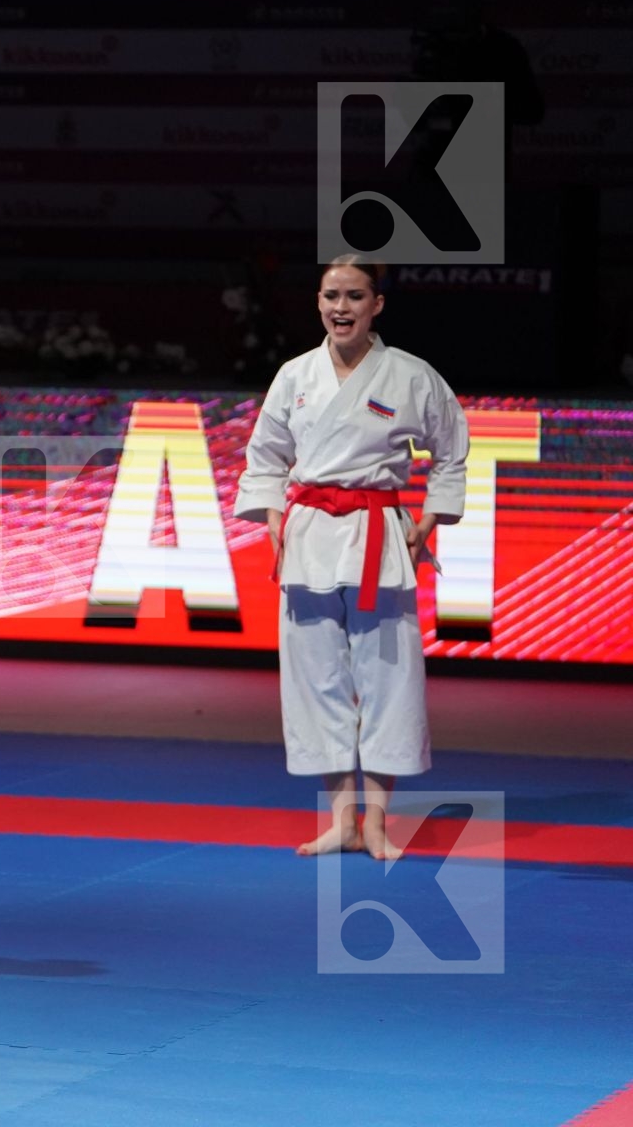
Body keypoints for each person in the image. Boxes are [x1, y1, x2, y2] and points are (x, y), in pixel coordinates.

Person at [233, 255, 469, 860]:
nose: (342, 307)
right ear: (318, 302)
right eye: (332, 295)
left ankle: (379, 822)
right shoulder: (295, 375)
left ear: (377, 305)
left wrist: (428, 521)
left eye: (355, 296)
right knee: (317, 681)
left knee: (389, 680)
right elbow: (264, 457)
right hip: (310, 535)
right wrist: (271, 518)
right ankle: (342, 819)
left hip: (376, 534)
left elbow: (451, 449)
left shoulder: (411, 376)